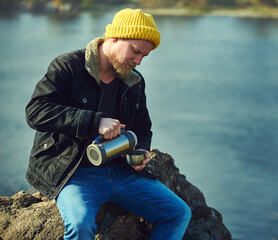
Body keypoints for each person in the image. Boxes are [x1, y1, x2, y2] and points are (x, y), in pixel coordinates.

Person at [25, 8, 191, 240]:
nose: (139, 61)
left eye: (144, 56)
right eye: (135, 52)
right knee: (80, 225)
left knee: (178, 213)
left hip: (122, 172)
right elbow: (36, 112)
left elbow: (143, 128)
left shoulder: (134, 81)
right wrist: (95, 122)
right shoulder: (68, 67)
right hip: (75, 173)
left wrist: (141, 150)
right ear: (114, 38)